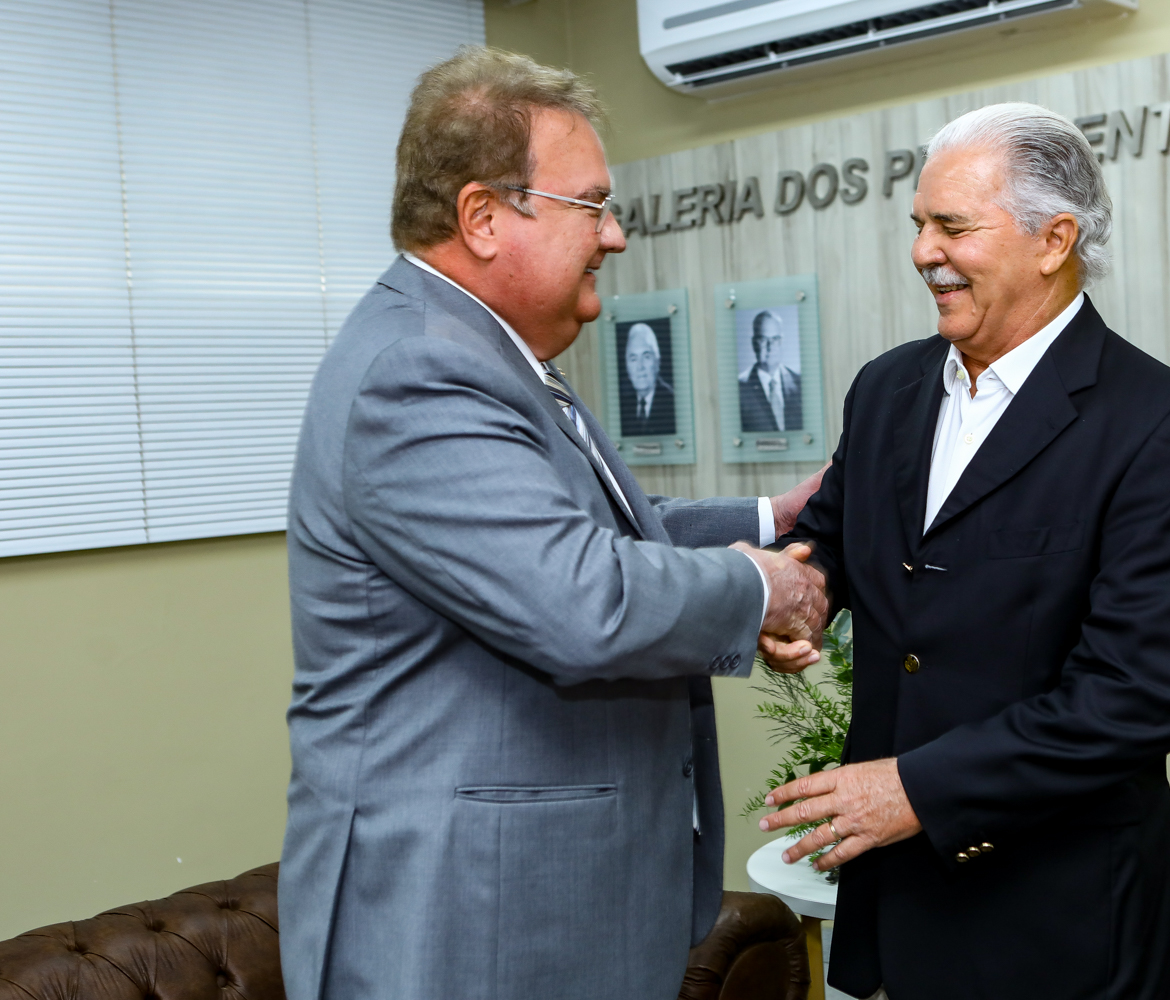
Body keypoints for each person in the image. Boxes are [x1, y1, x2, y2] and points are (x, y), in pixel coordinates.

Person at [279, 48, 828, 1000]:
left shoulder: (479, 349)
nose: (615, 235)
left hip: (530, 904)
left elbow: (589, 535)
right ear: (484, 217)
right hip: (470, 918)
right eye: (592, 205)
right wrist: (763, 584)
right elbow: (580, 597)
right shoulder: (420, 371)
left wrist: (768, 518)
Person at [758, 102, 1170, 1000]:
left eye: (953, 227)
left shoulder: (1167, 425)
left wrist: (916, 790)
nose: (923, 252)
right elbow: (831, 535)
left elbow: (1139, 695)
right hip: (893, 910)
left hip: (1059, 925)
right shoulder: (885, 389)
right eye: (918, 225)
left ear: (1054, 240)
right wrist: (802, 588)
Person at [738, 309, 803, 432]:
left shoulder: (799, 383)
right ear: (754, 343)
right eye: (763, 340)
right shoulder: (740, 388)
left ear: (781, 342)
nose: (770, 347)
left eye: (775, 339)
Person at [619, 320, 676, 436]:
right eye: (633, 359)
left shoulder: (672, 401)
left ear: (657, 362)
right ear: (627, 366)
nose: (640, 367)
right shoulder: (623, 406)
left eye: (646, 356)